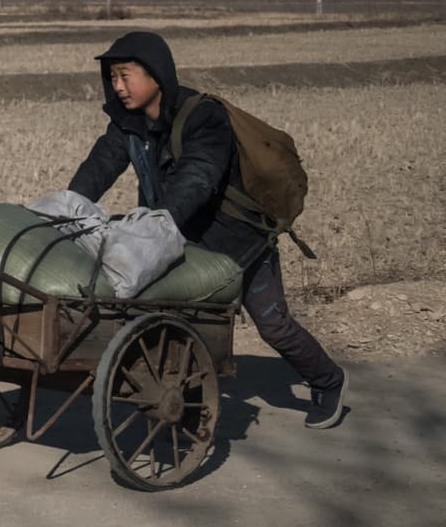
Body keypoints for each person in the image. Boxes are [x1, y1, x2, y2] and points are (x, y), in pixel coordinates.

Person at [68, 30, 348, 429]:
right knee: (175, 318)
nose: (118, 86)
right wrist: (69, 206)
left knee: (273, 324)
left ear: (156, 75)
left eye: (125, 75)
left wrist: (157, 226)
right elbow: (98, 168)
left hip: (236, 240)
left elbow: (197, 179)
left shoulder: (203, 118)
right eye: (112, 77)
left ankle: (328, 380)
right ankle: (183, 405)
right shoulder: (127, 124)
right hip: (174, 235)